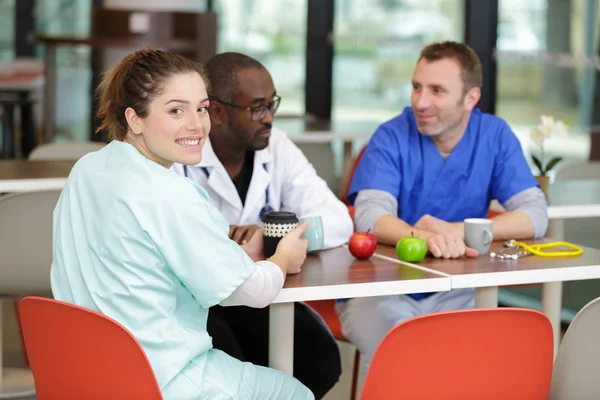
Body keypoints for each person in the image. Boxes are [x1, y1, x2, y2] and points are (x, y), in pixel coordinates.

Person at [50, 48, 315, 400]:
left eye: (202, 108)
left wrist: (237, 253)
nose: (197, 125)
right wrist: (283, 258)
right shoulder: (170, 192)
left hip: (85, 373)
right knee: (294, 393)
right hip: (161, 378)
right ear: (135, 119)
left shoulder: (86, 170)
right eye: (176, 110)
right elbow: (255, 292)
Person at [336, 41, 548, 369]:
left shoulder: (494, 135)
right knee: (405, 357)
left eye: (437, 90)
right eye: (417, 87)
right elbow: (369, 216)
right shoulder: (390, 136)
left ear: (470, 98)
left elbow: (535, 215)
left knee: (488, 362)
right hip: (383, 289)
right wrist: (425, 237)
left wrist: (458, 231)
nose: (421, 102)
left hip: (458, 290)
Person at [172, 52, 352, 399]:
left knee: (320, 361)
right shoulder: (182, 151)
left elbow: (338, 220)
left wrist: (270, 235)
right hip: (202, 303)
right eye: (257, 108)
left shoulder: (276, 146)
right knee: (231, 374)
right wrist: (225, 236)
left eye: (272, 104)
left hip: (262, 293)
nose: (269, 118)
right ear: (218, 111)